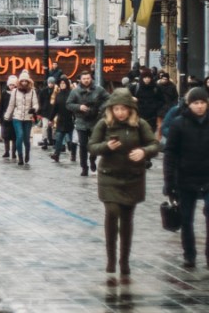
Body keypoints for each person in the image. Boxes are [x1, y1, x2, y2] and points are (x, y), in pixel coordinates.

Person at [88, 89, 159, 275]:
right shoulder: (104, 124)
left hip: (133, 177)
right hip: (109, 176)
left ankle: (124, 260)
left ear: (130, 109)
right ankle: (111, 258)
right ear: (111, 109)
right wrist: (106, 147)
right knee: (112, 212)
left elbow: (154, 144)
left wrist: (144, 152)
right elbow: (92, 147)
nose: (120, 112)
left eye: (123, 109)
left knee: (127, 218)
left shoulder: (139, 124)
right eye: (116, 109)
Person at [163, 87, 209, 268]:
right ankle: (189, 253)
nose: (199, 106)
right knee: (186, 219)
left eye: (202, 102)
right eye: (195, 103)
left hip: (207, 177)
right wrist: (169, 182)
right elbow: (170, 154)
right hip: (185, 178)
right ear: (189, 104)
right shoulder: (179, 123)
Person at [67, 69, 109, 176]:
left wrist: (100, 108)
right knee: (83, 146)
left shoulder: (98, 89)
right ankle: (84, 167)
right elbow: (68, 104)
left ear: (91, 79)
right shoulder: (75, 91)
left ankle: (92, 159)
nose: (86, 80)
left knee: (94, 144)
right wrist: (79, 107)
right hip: (81, 121)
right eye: (84, 79)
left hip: (95, 121)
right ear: (80, 80)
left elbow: (109, 98)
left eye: (88, 78)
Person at [4, 70, 39, 166]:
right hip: (17, 117)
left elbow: (36, 104)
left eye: (25, 81)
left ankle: (27, 153)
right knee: (19, 135)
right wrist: (7, 116)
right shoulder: (14, 92)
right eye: (22, 81)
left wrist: (34, 109)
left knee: (26, 139)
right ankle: (20, 156)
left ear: (28, 81)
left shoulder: (32, 92)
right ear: (19, 81)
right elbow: (11, 105)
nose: (24, 83)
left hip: (28, 118)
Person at [130, 68, 165, 137]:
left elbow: (162, 100)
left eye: (149, 77)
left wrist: (155, 107)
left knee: (150, 135)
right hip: (138, 116)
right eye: (145, 77)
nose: (147, 79)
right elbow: (126, 96)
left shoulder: (156, 88)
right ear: (142, 78)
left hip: (152, 117)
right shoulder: (136, 87)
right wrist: (132, 98)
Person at [50, 77, 74, 162]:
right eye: (61, 83)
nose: (62, 85)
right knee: (59, 138)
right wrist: (51, 118)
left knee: (71, 139)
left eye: (64, 83)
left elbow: (74, 106)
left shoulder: (71, 94)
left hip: (70, 119)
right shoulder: (58, 95)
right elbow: (55, 108)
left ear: (67, 84)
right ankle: (56, 154)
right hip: (61, 119)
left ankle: (73, 154)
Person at [0, 75, 18, 159]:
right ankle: (6, 151)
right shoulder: (4, 93)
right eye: (10, 85)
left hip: (15, 117)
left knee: (15, 137)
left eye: (13, 85)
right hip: (5, 117)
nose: (11, 86)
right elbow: (1, 105)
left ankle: (14, 152)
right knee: (6, 136)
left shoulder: (17, 93)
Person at [37, 76, 57, 150]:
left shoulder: (56, 91)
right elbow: (40, 100)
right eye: (49, 83)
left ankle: (54, 141)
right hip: (45, 111)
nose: (50, 84)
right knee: (45, 126)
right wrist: (41, 108)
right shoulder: (44, 91)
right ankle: (45, 141)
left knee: (53, 127)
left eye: (52, 83)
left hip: (53, 111)